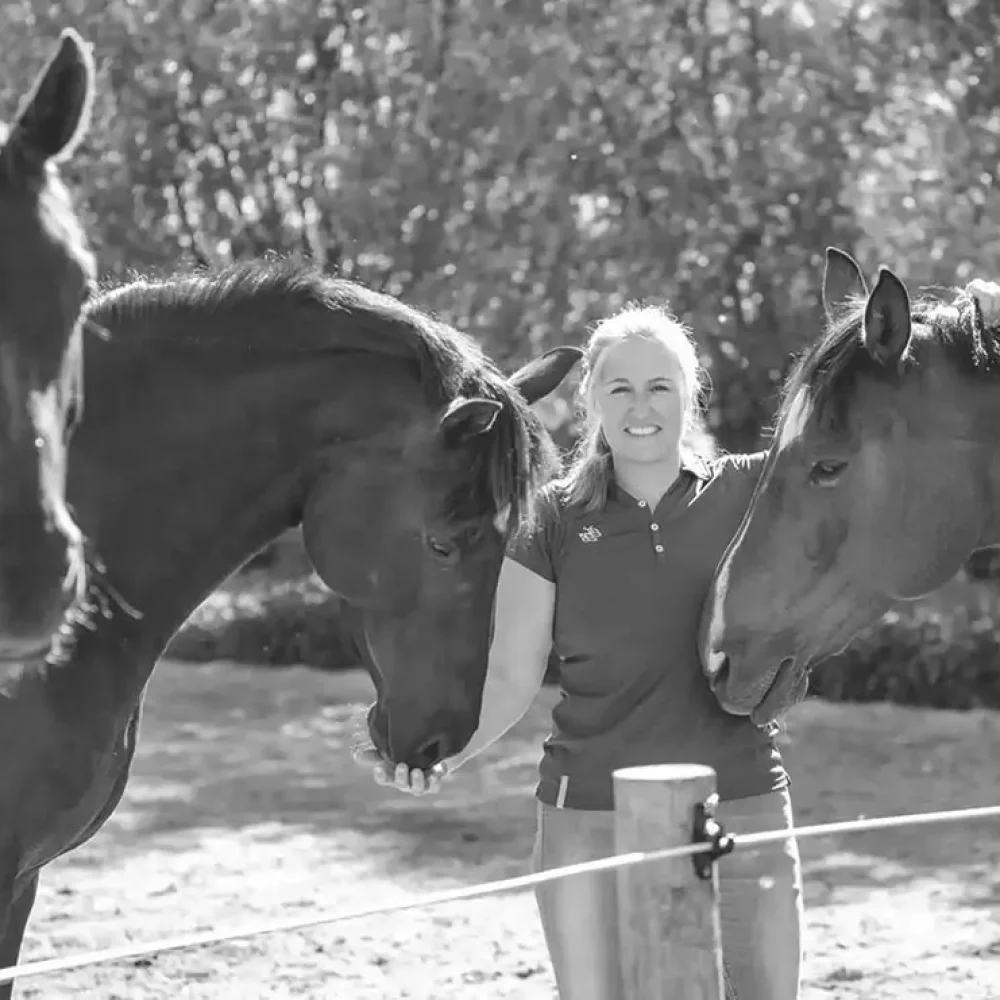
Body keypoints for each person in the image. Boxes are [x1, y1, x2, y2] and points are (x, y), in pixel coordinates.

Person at [355, 280, 1000, 1000]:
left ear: (689, 398)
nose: (640, 406)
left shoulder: (755, 493)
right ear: (591, 402)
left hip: (745, 807)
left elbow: (869, 508)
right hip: (588, 818)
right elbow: (511, 673)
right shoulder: (551, 523)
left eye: (660, 386)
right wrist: (445, 751)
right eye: (620, 387)